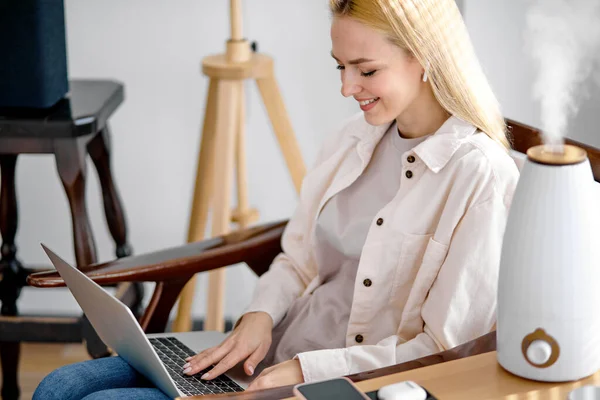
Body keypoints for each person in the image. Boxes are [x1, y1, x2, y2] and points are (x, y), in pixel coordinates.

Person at [34, 0, 519, 398]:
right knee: (60, 386)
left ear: (425, 58)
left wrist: (306, 371)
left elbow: (443, 349)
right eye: (341, 67)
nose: (347, 88)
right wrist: (257, 317)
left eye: (365, 69)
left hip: (334, 385)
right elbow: (298, 260)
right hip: (266, 357)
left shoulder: (480, 176)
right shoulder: (354, 140)